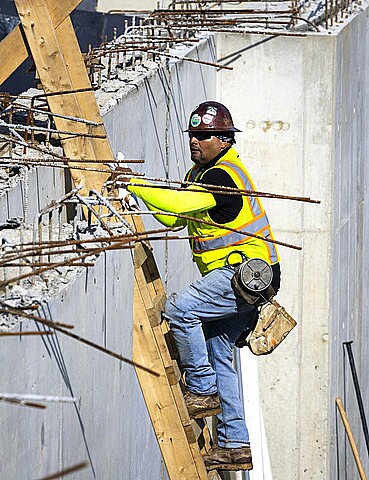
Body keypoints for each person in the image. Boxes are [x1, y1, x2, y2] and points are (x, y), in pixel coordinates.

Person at [124, 101, 281, 472]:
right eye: (192, 134)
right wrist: (139, 196)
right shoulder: (200, 174)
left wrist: (133, 181)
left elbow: (177, 202)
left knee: (179, 310)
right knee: (217, 349)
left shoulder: (223, 176)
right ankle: (235, 444)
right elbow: (174, 215)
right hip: (242, 279)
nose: (195, 141)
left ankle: (201, 389)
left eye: (203, 135)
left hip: (246, 276)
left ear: (224, 139)